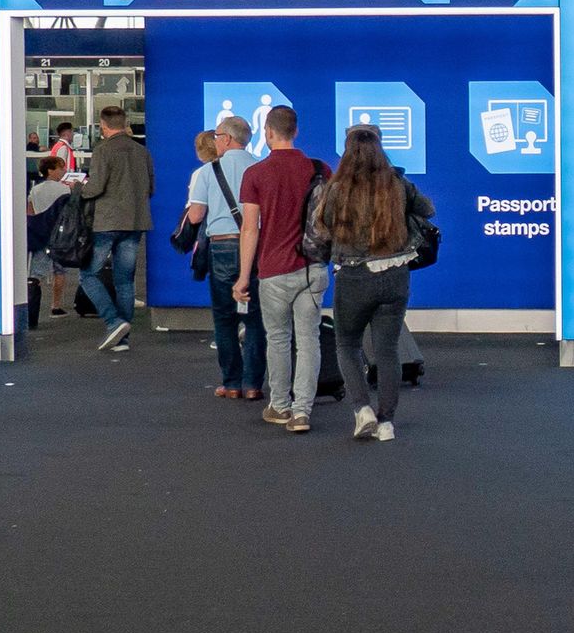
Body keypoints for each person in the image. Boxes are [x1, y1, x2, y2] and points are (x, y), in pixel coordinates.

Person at [316, 124, 434, 443]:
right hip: (395, 275)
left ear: (346, 150)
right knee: (387, 351)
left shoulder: (337, 188)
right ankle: (387, 422)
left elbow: (321, 227)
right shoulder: (398, 183)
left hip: (353, 277)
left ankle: (362, 410)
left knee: (347, 344)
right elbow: (428, 209)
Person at [234, 106, 327, 434]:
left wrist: (244, 276)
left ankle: (280, 406)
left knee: (278, 339)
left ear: (267, 132)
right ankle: (303, 411)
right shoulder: (319, 169)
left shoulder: (256, 174)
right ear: (296, 131)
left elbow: (249, 229)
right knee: (309, 338)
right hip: (313, 267)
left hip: (273, 270)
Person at [185, 117, 265, 400]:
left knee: (224, 318)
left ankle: (231, 383)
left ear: (228, 139)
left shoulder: (208, 172)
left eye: (218, 136)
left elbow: (195, 215)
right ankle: (254, 384)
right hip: (258, 246)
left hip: (222, 247)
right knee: (256, 319)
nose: (215, 140)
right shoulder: (261, 168)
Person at [78, 105, 153, 352]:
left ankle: (113, 322)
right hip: (136, 221)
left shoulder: (103, 150)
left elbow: (96, 187)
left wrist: (78, 189)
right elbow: (150, 188)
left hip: (107, 222)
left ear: (103, 125)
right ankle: (122, 338)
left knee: (88, 274)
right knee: (124, 280)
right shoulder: (142, 152)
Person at [27, 155, 72, 318]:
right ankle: (56, 305)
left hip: (40, 235)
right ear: (51, 170)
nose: (64, 171)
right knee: (59, 271)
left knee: (35, 273)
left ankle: (31, 308)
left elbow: (30, 210)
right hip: (59, 235)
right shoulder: (65, 190)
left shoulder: (35, 189)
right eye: (61, 168)